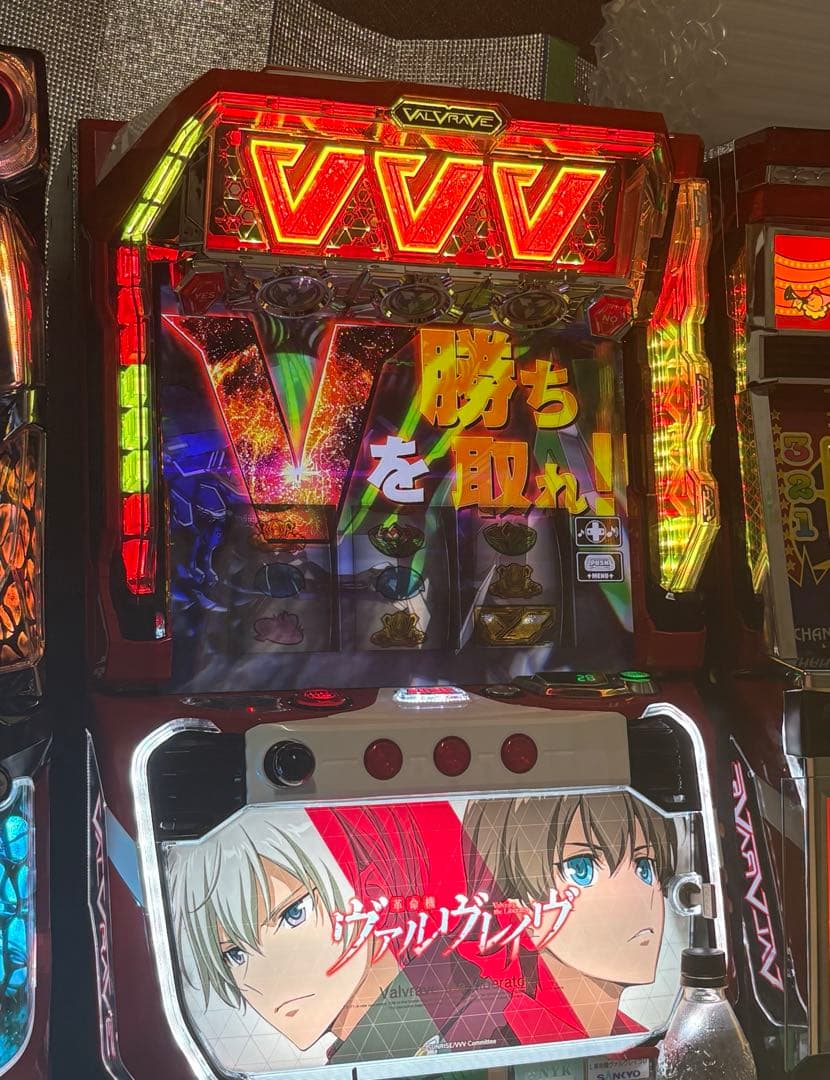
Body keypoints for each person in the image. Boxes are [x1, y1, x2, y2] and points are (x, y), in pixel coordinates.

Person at [461, 792, 677, 1042]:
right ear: (516, 905)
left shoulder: (642, 1037)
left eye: (644, 867)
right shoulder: (496, 1038)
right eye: (581, 869)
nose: (637, 897)